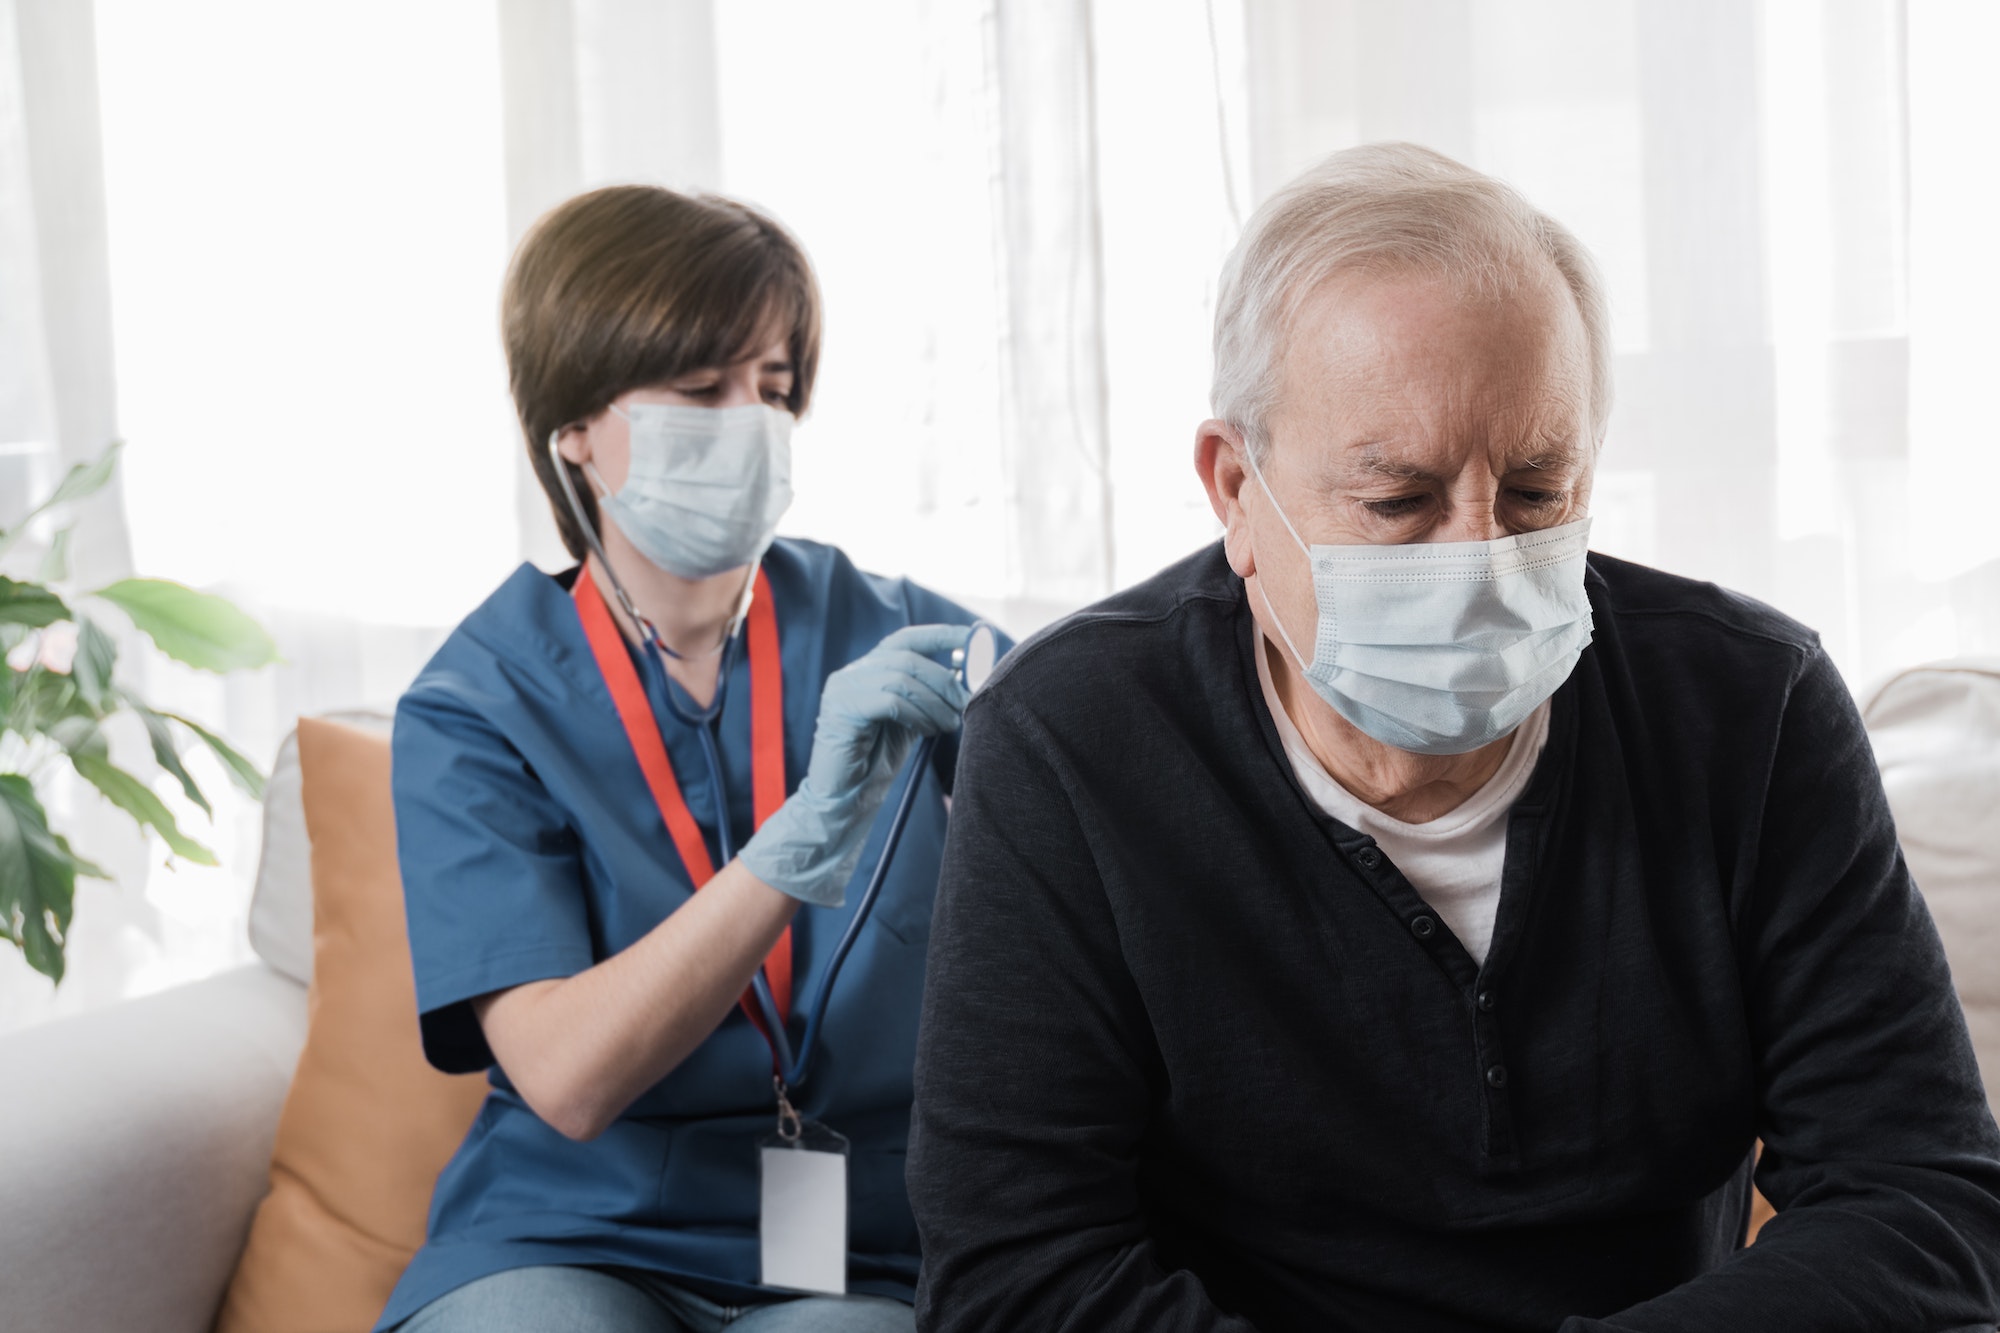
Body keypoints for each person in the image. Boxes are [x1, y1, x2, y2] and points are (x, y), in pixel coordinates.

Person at [907, 143, 2000, 1332]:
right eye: (1396, 502)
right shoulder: (1068, 743)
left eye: (1534, 492)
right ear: (1233, 489)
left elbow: (1922, 1198)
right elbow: (1013, 1278)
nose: (1477, 561)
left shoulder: (1751, 706)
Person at [380, 185, 998, 1332]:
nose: (750, 421)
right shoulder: (478, 703)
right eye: (699, 387)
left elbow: (1103, 777)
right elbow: (566, 1077)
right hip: (570, 1228)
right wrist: (800, 842)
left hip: (850, 1244)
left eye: (771, 387)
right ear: (573, 426)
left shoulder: (891, 631)